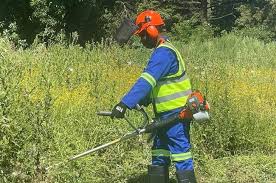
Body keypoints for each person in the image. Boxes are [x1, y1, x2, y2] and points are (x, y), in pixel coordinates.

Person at [111, 10, 197, 183]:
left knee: (181, 154)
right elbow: (158, 85)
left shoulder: (164, 53)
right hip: (163, 116)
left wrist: (125, 104)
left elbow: (147, 81)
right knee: (159, 153)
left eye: (143, 35)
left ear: (151, 30)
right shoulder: (162, 51)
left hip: (176, 115)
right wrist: (143, 100)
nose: (142, 40)